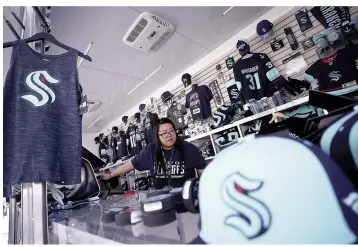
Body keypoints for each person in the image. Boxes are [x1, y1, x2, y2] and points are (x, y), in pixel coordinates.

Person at [101, 118, 206, 189]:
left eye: (171, 131)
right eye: (164, 133)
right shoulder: (150, 151)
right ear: (157, 136)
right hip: (163, 199)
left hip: (187, 198)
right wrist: (111, 175)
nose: (169, 135)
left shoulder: (188, 148)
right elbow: (132, 164)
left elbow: (203, 171)